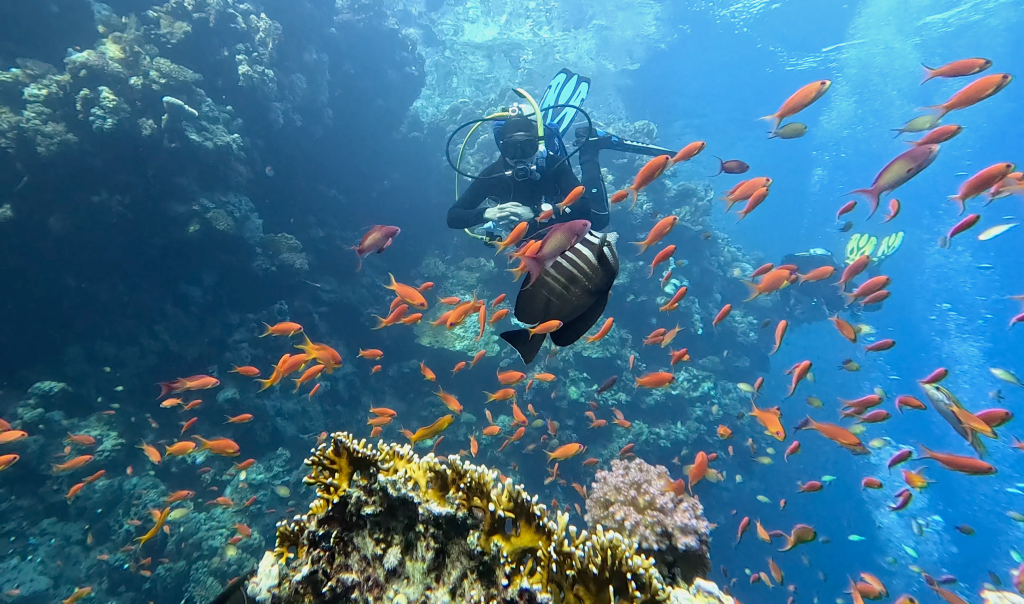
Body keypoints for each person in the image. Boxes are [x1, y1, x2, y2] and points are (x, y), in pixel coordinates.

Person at [446, 115, 614, 235]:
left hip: (554, 216)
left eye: (527, 147)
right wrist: (485, 213)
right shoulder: (493, 175)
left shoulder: (552, 164)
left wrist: (535, 213)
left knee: (599, 220)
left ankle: (589, 150)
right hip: (530, 231)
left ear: (536, 146)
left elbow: (583, 207)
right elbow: (453, 217)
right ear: (502, 149)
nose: (520, 155)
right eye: (511, 148)